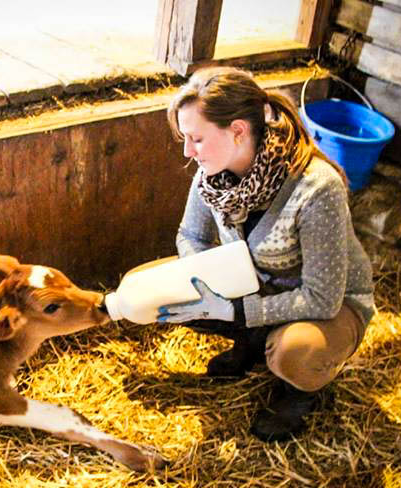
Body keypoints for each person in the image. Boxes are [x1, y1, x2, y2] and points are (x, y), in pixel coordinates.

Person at [155, 67, 375, 442]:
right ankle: (253, 342)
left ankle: (299, 391)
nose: (187, 152)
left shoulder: (316, 188)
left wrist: (236, 310)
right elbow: (191, 234)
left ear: (238, 130)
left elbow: (322, 298)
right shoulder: (213, 173)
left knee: (295, 352)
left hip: (331, 306)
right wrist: (205, 278)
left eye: (196, 138)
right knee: (160, 291)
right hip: (257, 287)